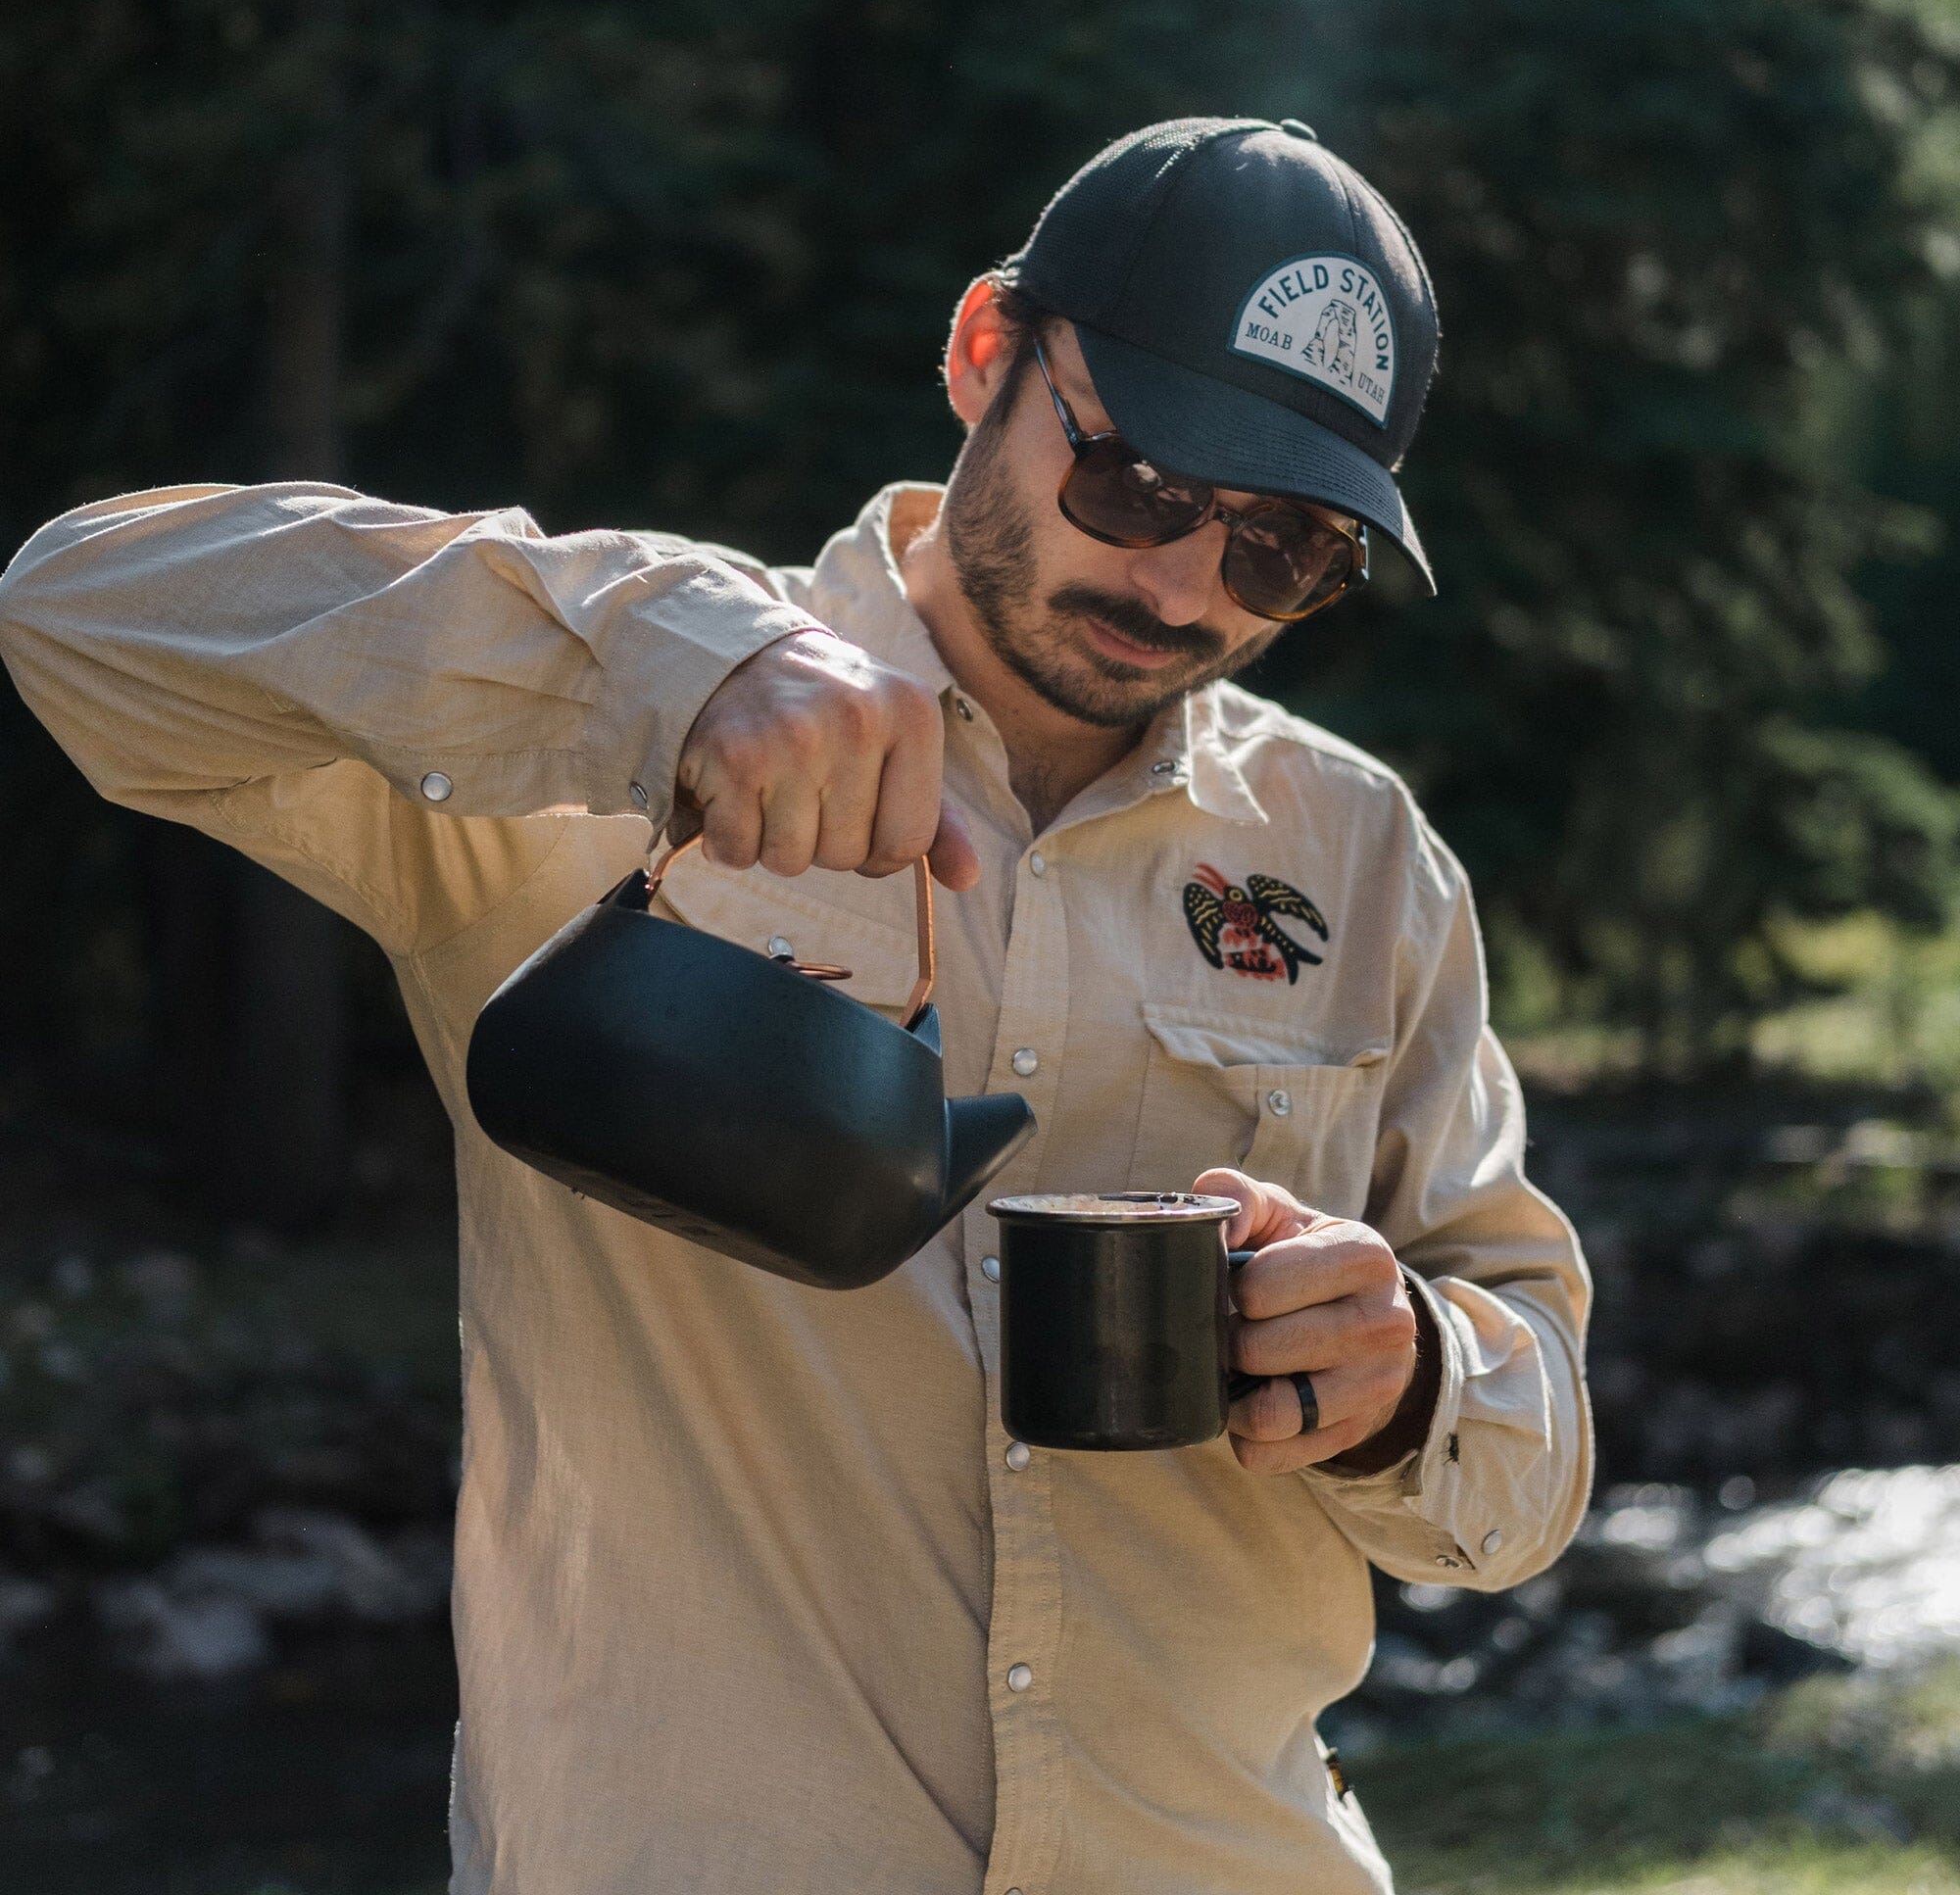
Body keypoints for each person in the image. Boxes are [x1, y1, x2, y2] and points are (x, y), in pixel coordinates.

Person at [0, 116, 1592, 1894]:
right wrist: (665, 661)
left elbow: (1526, 1468)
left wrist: (1406, 1375)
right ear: (986, 352)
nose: (1182, 584)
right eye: (1141, 485)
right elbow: (78, 615)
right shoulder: (606, 710)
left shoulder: (1362, 858)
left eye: (1284, 549)